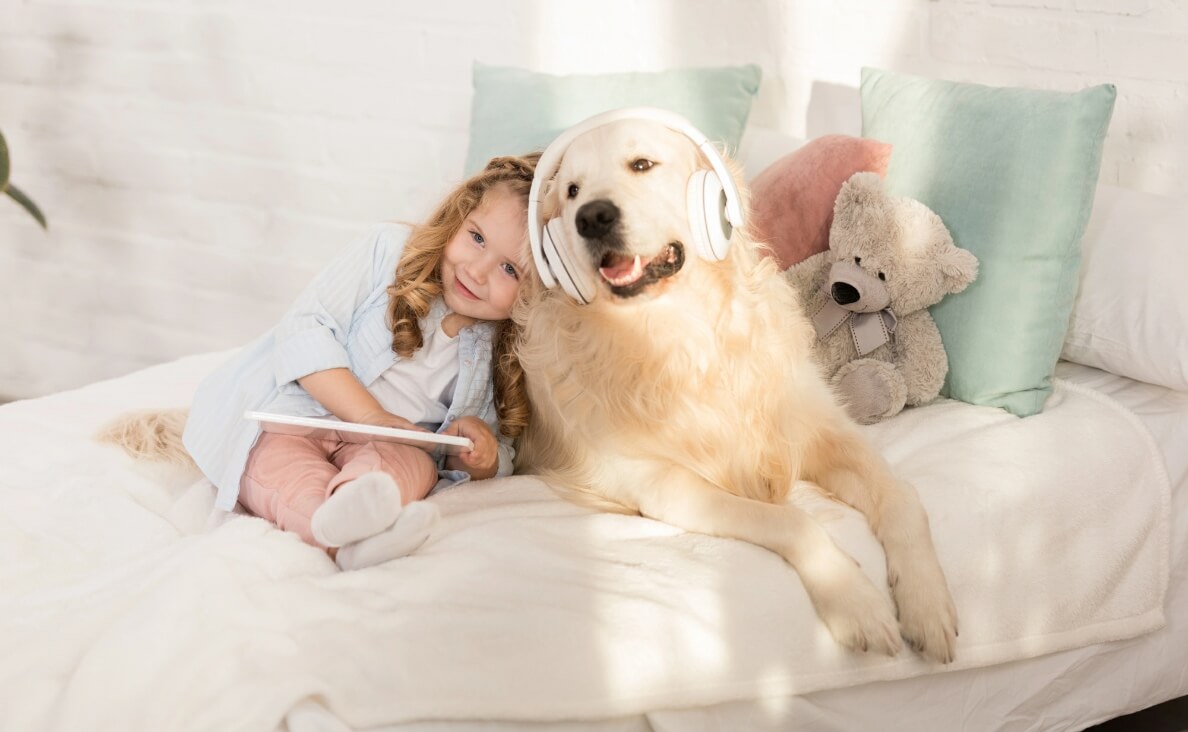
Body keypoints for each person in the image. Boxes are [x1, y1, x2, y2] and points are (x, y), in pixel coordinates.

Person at [182, 154, 539, 570]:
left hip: (394, 445)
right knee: (280, 470)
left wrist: (479, 451)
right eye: (477, 238)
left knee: (405, 468)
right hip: (300, 417)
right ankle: (342, 538)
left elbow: (492, 453)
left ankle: (360, 522)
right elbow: (305, 328)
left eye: (510, 269)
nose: (477, 272)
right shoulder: (388, 253)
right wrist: (369, 415)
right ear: (459, 216)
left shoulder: (506, 349)